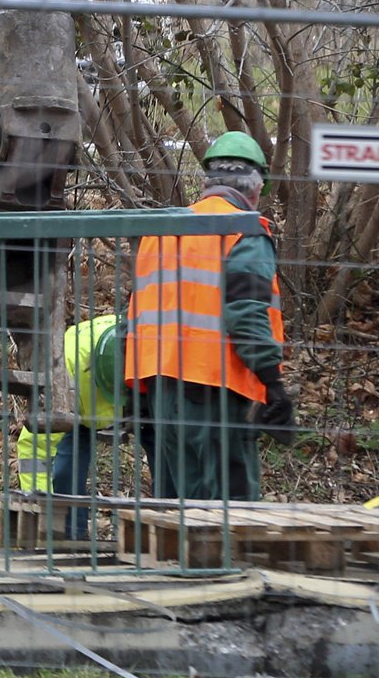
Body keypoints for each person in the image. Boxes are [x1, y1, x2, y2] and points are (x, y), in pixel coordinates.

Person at [124, 131, 295, 503]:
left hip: (161, 390)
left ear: (207, 184)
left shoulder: (163, 230)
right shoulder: (244, 231)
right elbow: (247, 314)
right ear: (255, 188)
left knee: (187, 512)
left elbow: (136, 315)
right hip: (212, 389)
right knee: (231, 513)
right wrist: (273, 384)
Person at [15, 312, 175, 537]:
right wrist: (41, 503)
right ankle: (69, 534)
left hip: (143, 395)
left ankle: (170, 525)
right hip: (80, 409)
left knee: (168, 452)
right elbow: (35, 447)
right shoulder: (62, 372)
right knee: (66, 469)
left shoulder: (149, 346)